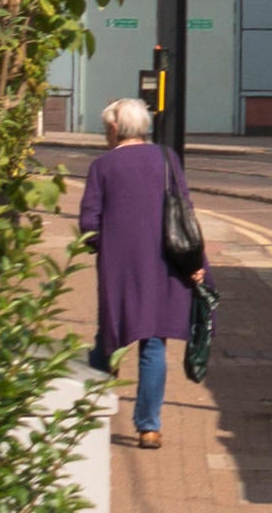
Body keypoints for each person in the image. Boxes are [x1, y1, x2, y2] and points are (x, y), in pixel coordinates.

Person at [76, 97, 207, 447]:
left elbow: (89, 224)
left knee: (110, 337)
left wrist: (101, 245)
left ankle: (92, 409)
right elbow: (186, 212)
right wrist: (197, 264)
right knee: (154, 345)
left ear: (115, 129)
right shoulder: (168, 159)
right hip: (164, 265)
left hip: (119, 268)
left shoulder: (102, 168)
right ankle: (148, 427)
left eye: (107, 129)